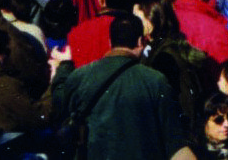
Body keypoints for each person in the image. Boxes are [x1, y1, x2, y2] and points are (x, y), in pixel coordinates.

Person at [50, 10, 192, 160]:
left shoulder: (81, 76)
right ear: (139, 42)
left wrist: (65, 65)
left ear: (110, 42)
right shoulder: (155, 81)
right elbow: (173, 141)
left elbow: (59, 102)